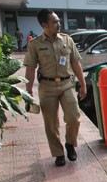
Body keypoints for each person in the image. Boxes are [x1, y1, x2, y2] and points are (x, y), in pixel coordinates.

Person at [24, 9, 87, 166]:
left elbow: (75, 63)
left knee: (74, 117)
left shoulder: (67, 40)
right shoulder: (35, 44)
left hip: (67, 84)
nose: (59, 24)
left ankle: (70, 144)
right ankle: (58, 153)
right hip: (47, 87)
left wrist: (83, 84)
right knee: (51, 124)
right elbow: (30, 68)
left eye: (59, 21)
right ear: (44, 25)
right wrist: (28, 90)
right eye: (55, 22)